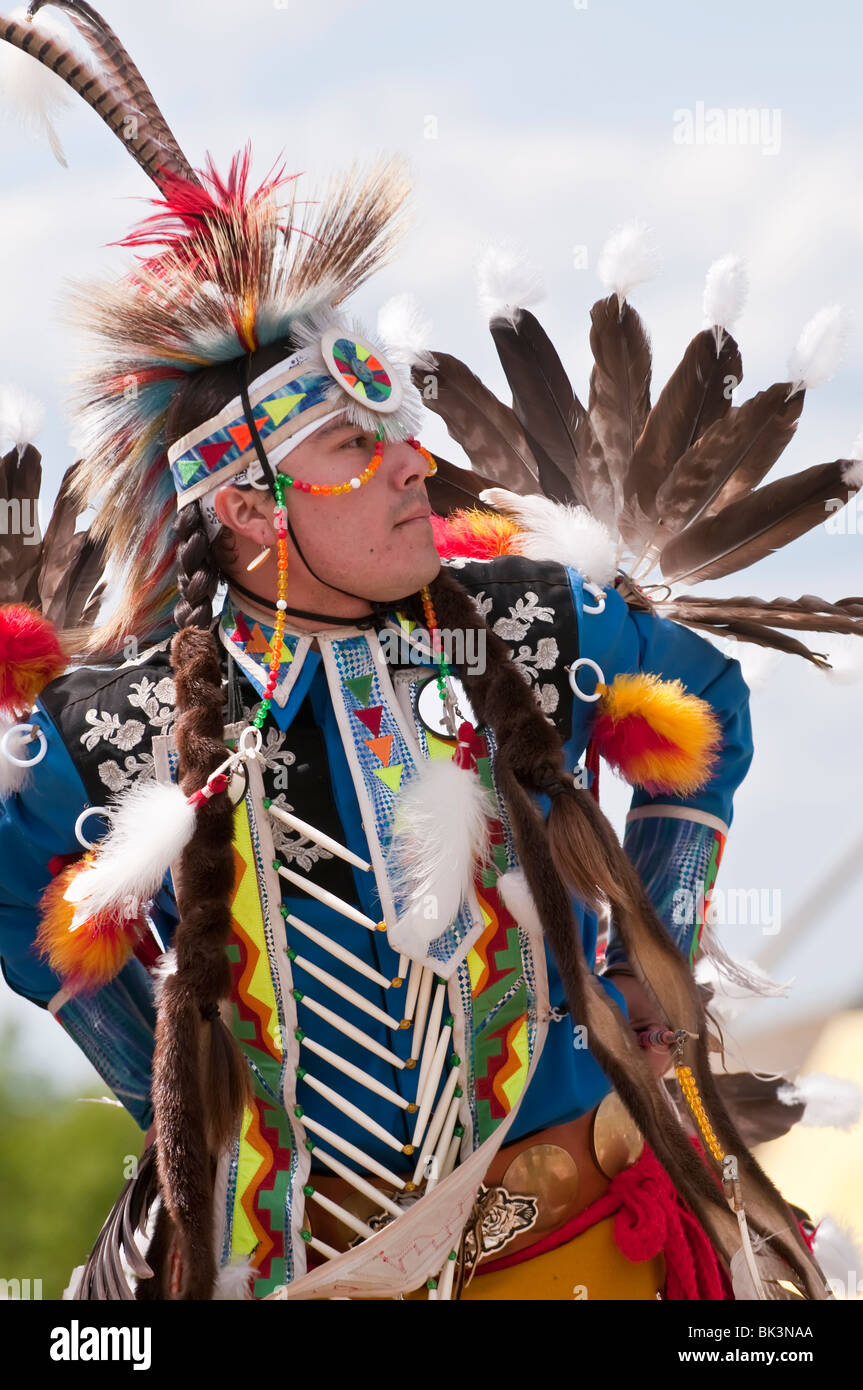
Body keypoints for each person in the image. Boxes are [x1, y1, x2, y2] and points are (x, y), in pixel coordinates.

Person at [1, 2, 857, 1302]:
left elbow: (703, 696)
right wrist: (164, 1081)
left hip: (575, 1246)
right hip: (287, 1266)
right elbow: (20, 885)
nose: (415, 461)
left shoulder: (529, 623)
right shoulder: (111, 733)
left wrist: (656, 957)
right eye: (357, 443)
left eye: (398, 426)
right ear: (245, 503)